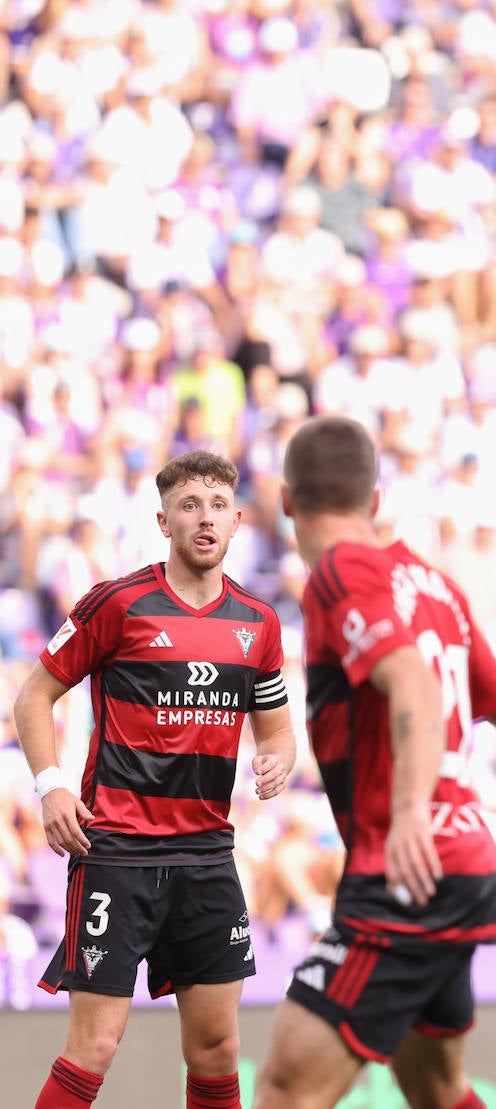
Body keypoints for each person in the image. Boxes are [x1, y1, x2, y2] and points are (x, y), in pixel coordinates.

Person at [254, 415, 496, 1109]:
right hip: (466, 861)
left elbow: (413, 681)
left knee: (284, 1089)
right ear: (375, 500)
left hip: (408, 867)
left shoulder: (339, 571)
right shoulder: (434, 586)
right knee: (433, 1086)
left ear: (286, 502)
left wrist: (406, 813)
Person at [12, 449, 295, 1109]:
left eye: (218, 505)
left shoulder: (259, 623)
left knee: (218, 1051)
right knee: (94, 1048)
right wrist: (52, 784)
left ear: (238, 519)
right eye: (189, 505)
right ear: (163, 520)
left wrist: (279, 757)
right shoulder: (118, 603)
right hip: (116, 851)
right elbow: (33, 695)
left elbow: (277, 730)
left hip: (207, 855)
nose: (205, 518)